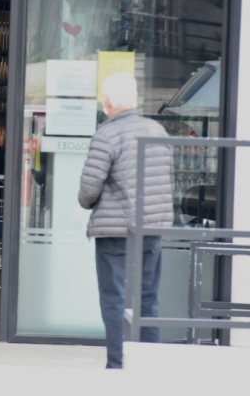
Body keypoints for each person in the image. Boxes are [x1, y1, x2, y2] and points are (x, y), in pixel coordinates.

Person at [78, 72, 174, 369]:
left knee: (114, 297)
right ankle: (149, 362)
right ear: (134, 99)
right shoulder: (157, 131)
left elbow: (88, 190)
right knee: (148, 297)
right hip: (151, 228)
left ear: (107, 101)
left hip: (114, 231)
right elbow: (168, 179)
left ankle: (118, 363)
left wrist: (86, 202)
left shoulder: (107, 134)